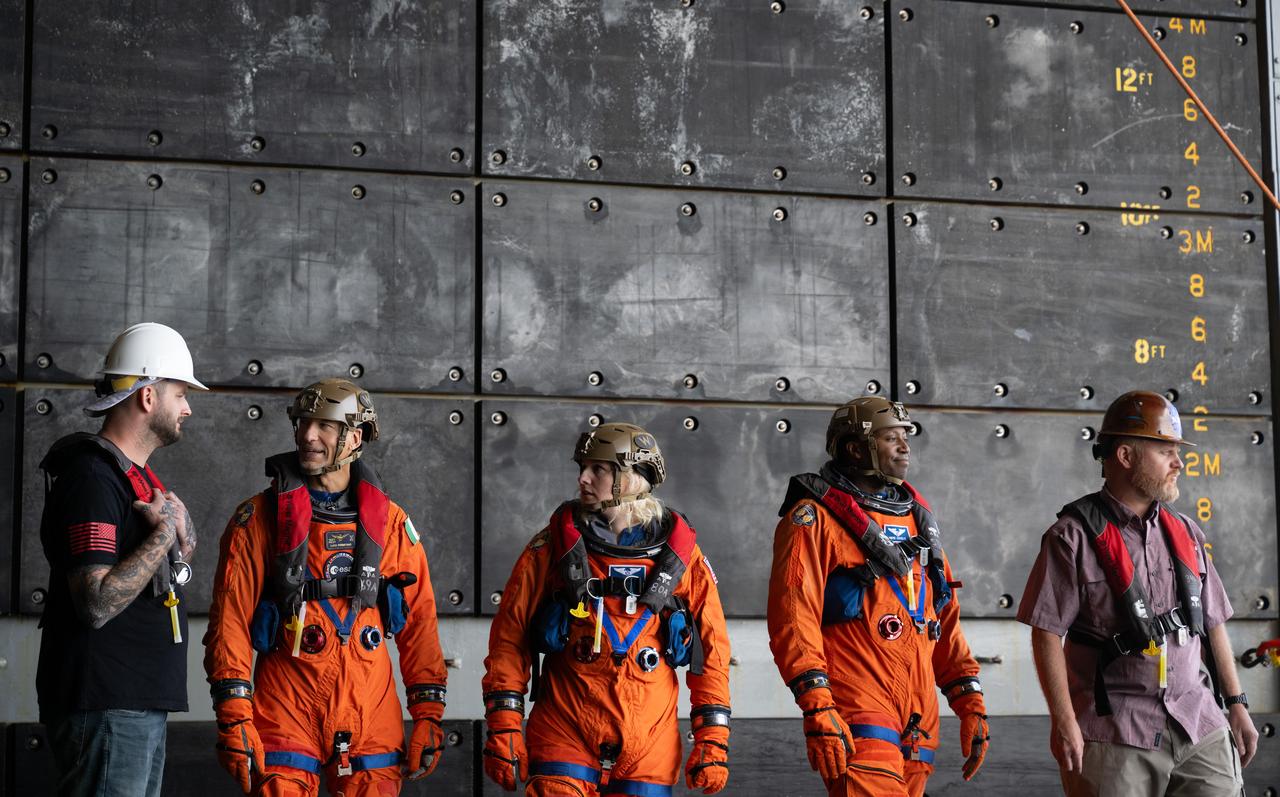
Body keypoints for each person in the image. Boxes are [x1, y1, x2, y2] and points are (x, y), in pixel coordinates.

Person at [203, 378, 447, 796]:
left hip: (372, 706)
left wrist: (428, 713)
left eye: (323, 426)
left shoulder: (390, 523)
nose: (307, 436)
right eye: (302, 423)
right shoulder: (259, 519)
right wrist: (235, 713)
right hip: (286, 703)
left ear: (354, 437)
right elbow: (231, 621)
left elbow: (419, 624)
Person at [1018, 390, 1258, 796]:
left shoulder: (1186, 533)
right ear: (1126, 457)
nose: (1178, 462)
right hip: (1114, 733)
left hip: (1198, 721)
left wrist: (1236, 703)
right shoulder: (1071, 538)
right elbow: (1046, 633)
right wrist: (1064, 721)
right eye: (1166, 451)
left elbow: (1212, 622)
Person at [481, 422, 732, 796]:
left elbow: (712, 651)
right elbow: (510, 638)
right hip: (565, 726)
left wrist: (713, 739)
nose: (582, 478)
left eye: (598, 468)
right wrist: (504, 725)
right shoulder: (552, 548)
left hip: (651, 740)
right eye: (582, 467)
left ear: (633, 477)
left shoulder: (681, 559)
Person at [767, 396, 988, 797]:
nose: (905, 447)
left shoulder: (917, 520)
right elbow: (793, 618)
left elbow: (943, 617)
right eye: (891, 438)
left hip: (919, 720)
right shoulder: (813, 518)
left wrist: (969, 700)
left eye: (905, 437)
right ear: (856, 448)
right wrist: (817, 704)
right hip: (857, 705)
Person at [36, 321, 206, 797]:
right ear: (148, 397)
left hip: (133, 700)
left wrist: (175, 528)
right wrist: (162, 534)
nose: (188, 408)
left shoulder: (132, 476)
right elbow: (96, 604)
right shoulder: (92, 478)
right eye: (180, 394)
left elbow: (174, 556)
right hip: (106, 702)